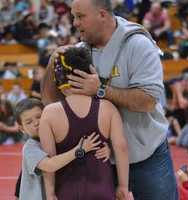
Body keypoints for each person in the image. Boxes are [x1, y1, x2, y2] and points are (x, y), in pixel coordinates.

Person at [44, 0, 178, 199]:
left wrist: (100, 90)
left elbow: (148, 101)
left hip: (146, 156)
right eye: (73, 16)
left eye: (80, 16)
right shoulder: (78, 51)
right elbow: (50, 102)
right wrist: (52, 63)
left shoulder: (138, 44)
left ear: (103, 15)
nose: (74, 23)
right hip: (101, 161)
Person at [40, 46, 129, 200]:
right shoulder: (108, 108)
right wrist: (123, 186)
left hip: (66, 191)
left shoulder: (49, 113)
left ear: (60, 77)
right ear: (90, 72)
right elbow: (121, 148)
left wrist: (50, 193)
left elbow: (49, 160)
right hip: (102, 189)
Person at [15, 98, 110, 200]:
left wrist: (106, 149)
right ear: (22, 129)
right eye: (29, 122)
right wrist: (79, 150)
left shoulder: (57, 139)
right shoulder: (30, 148)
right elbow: (50, 165)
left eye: (39, 117)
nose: (36, 123)